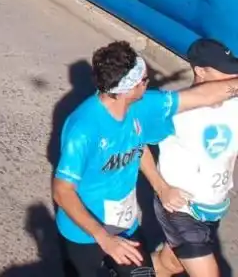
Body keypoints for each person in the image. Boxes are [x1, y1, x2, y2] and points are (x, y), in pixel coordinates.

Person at [52, 40, 238, 277]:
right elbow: (62, 191)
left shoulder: (143, 106)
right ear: (127, 89)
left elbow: (203, 95)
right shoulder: (83, 128)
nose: (148, 84)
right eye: (144, 80)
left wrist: (161, 187)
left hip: (125, 225)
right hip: (84, 232)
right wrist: (103, 237)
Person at [148, 38, 238, 277]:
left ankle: (122, 270)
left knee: (170, 265)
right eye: (225, 71)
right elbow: (136, 144)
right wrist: (162, 188)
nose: (233, 77)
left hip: (213, 208)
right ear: (200, 71)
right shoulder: (174, 109)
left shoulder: (234, 104)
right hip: (182, 209)